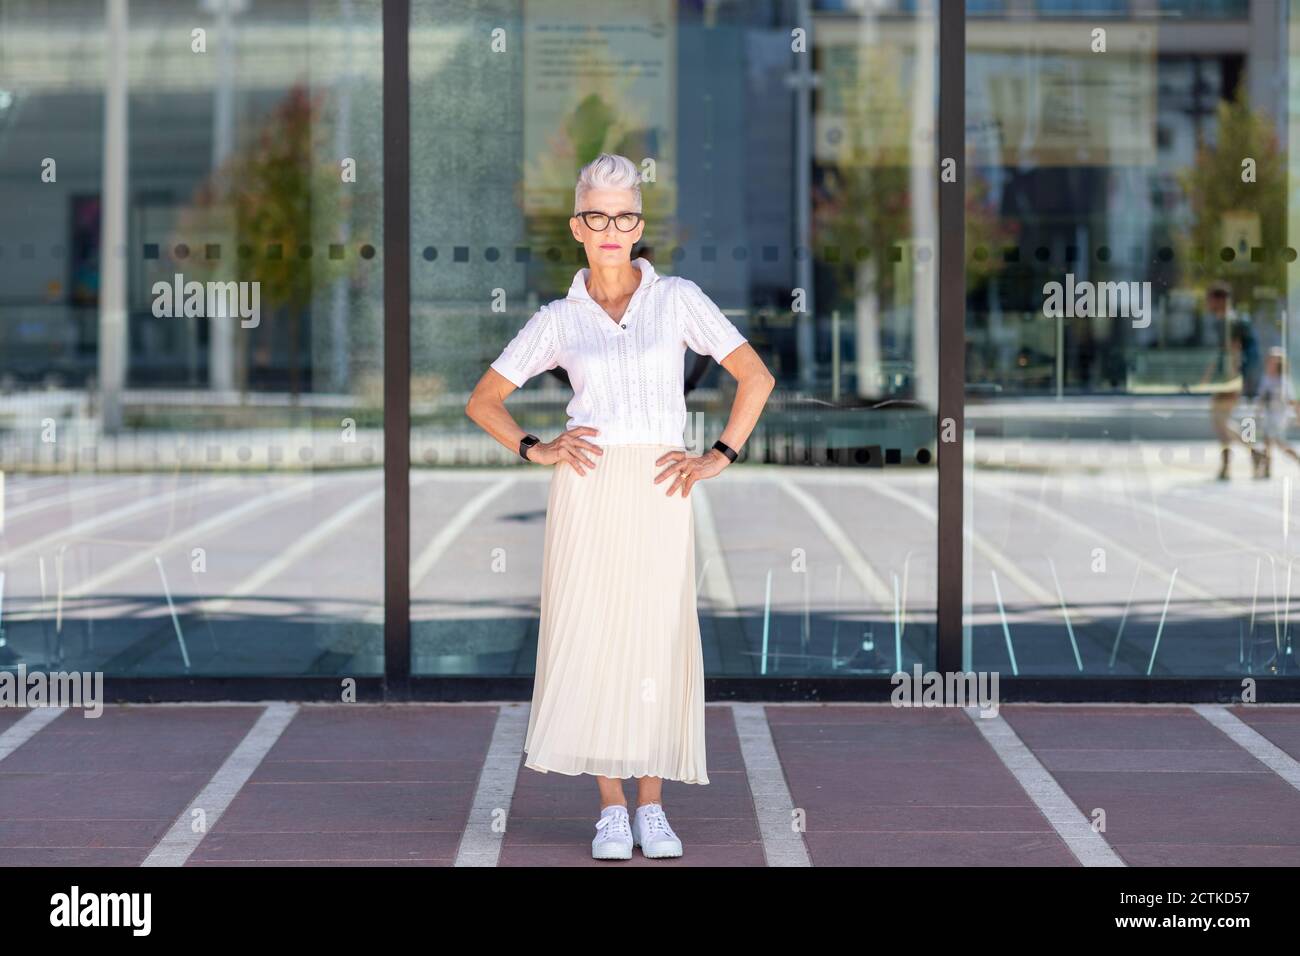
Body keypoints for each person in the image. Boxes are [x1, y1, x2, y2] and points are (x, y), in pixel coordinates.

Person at [465, 153, 775, 860]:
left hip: (664, 489)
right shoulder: (559, 319)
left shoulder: (678, 300)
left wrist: (718, 455)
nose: (612, 229)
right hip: (588, 489)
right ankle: (610, 809)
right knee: (597, 638)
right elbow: (484, 401)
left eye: (625, 216)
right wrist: (535, 446)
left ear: (639, 224)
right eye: (598, 216)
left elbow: (755, 378)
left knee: (656, 639)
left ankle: (654, 806)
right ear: (578, 225)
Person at [1199, 282, 1261, 479]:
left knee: (1221, 423)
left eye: (1210, 300)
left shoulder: (1230, 322)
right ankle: (1250, 454)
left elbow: (1232, 352)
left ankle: (1247, 456)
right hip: (1229, 379)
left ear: (1219, 300)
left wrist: (1229, 381)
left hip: (1231, 379)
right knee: (1220, 424)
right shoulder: (1228, 321)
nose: (1208, 304)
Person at [1251, 347, 1300, 478]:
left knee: (1279, 443)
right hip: (1268, 414)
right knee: (1268, 442)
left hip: (1279, 416)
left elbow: (1292, 400)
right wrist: (1257, 412)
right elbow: (1261, 397)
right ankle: (1266, 468)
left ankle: (1297, 459)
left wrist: (1297, 415)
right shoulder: (1266, 377)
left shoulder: (1283, 380)